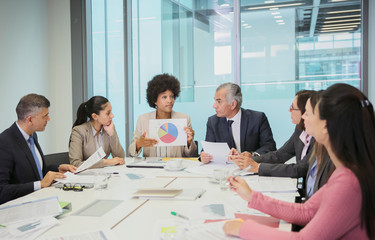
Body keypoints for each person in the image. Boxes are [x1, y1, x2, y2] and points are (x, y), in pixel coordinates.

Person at [223, 84, 375, 239]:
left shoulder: (348, 183)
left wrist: (244, 229)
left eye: (309, 114)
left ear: (326, 126)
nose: (303, 118)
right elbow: (307, 211)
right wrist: (251, 196)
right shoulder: (348, 172)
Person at [0, 94, 77, 204]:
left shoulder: (32, 136)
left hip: (39, 200)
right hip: (18, 209)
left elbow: (36, 172)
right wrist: (40, 184)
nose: (48, 119)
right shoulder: (4, 142)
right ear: (30, 119)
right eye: (45, 116)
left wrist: (58, 168)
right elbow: (2, 191)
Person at [231, 90, 315, 178]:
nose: (289, 110)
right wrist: (247, 160)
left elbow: (299, 169)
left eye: (292, 107)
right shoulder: (300, 130)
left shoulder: (318, 137)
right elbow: (280, 155)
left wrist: (258, 167)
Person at [200, 83, 276, 164]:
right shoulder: (213, 121)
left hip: (251, 168)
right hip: (225, 170)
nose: (214, 106)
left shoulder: (257, 118)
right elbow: (208, 148)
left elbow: (270, 146)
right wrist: (204, 156)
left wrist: (252, 155)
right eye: (215, 101)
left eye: (219, 101)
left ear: (233, 104)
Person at [128, 73, 197, 157]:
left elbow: (192, 155)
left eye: (172, 96)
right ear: (154, 100)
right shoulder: (143, 119)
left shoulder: (184, 118)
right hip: (151, 168)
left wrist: (189, 142)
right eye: (164, 97)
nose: (170, 101)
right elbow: (131, 153)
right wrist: (138, 144)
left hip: (176, 167)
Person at [69, 96, 125, 168]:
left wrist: (112, 135)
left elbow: (120, 158)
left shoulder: (109, 128)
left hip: (104, 175)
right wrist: (106, 162)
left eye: (111, 111)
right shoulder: (78, 131)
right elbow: (75, 164)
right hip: (85, 176)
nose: (112, 115)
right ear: (95, 116)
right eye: (108, 113)